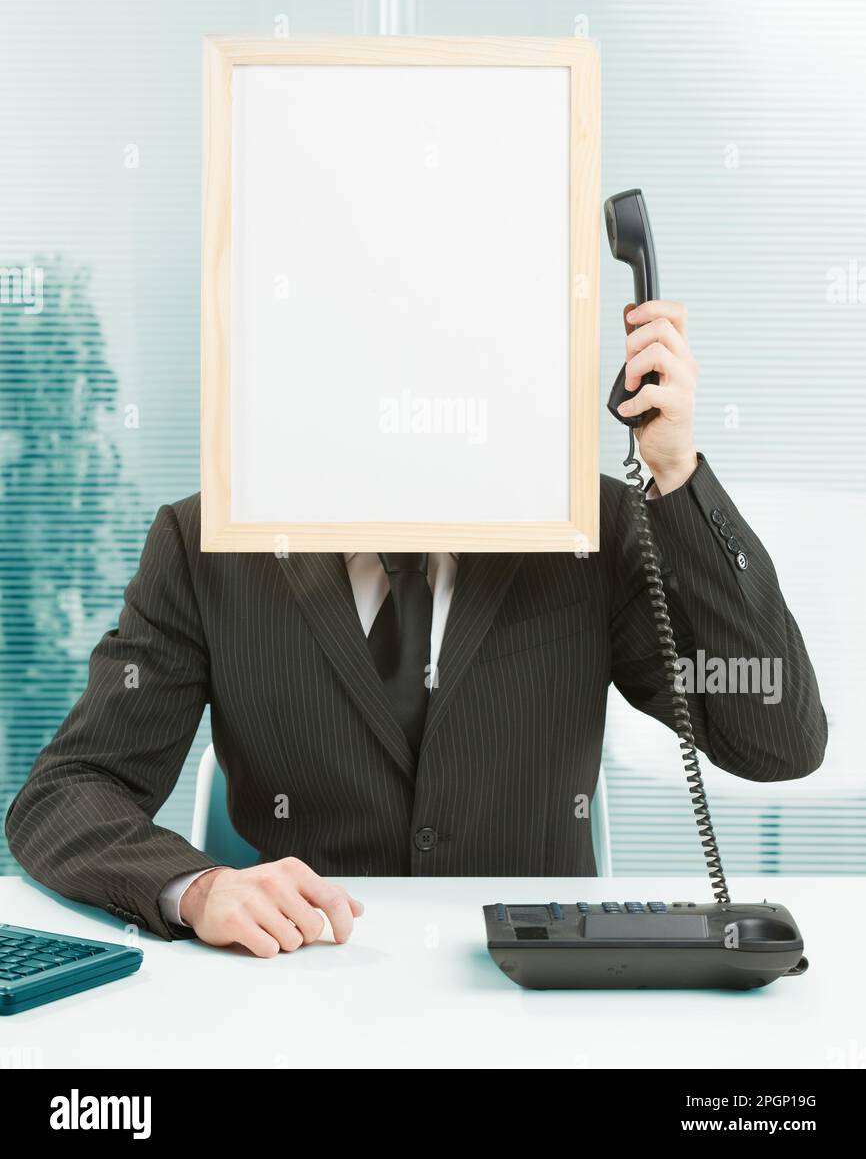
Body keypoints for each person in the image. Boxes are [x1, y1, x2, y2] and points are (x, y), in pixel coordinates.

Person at [5, 301, 827, 957]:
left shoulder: (589, 530)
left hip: (528, 997)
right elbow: (64, 797)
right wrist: (196, 888)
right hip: (301, 989)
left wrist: (676, 475)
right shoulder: (208, 542)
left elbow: (778, 739)